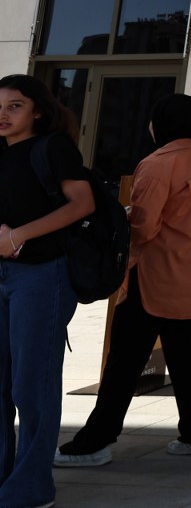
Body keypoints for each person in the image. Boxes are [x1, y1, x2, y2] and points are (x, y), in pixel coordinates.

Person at [55, 94, 191, 465]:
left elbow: (144, 228)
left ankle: (95, 442)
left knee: (124, 360)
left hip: (154, 277)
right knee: (188, 352)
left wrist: (118, 225)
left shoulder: (159, 162)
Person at [0, 75, 93, 508]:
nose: (3, 115)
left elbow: (82, 203)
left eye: (15, 105)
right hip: (3, 274)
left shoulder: (52, 148)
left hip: (41, 275)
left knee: (31, 384)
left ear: (38, 110)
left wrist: (18, 235)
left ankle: (32, 488)